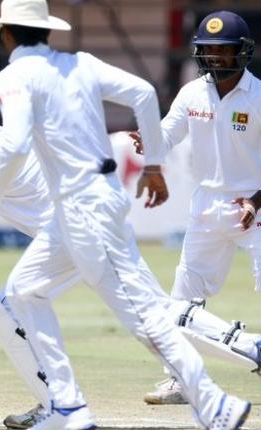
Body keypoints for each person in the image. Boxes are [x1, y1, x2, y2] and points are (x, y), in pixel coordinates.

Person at [0, 73, 261, 429]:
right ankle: (249, 347)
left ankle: (59, 406)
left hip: (76, 231)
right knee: (142, 309)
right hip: (89, 223)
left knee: (9, 304)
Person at [0, 0, 250, 428]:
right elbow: (143, 93)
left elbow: (17, 141)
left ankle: (214, 404)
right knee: (24, 290)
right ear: (44, 31)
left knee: (145, 317)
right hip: (77, 205)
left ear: (7, 33)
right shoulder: (78, 63)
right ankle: (69, 407)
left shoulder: (13, 76)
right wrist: (153, 164)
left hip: (85, 209)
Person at [130, 10, 261, 405]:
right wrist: (149, 141)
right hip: (207, 206)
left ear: (242, 53)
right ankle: (181, 380)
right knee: (181, 302)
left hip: (255, 206)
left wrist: (256, 202)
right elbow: (168, 134)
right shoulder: (192, 92)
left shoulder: (258, 97)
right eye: (208, 50)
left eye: (223, 50)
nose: (215, 57)